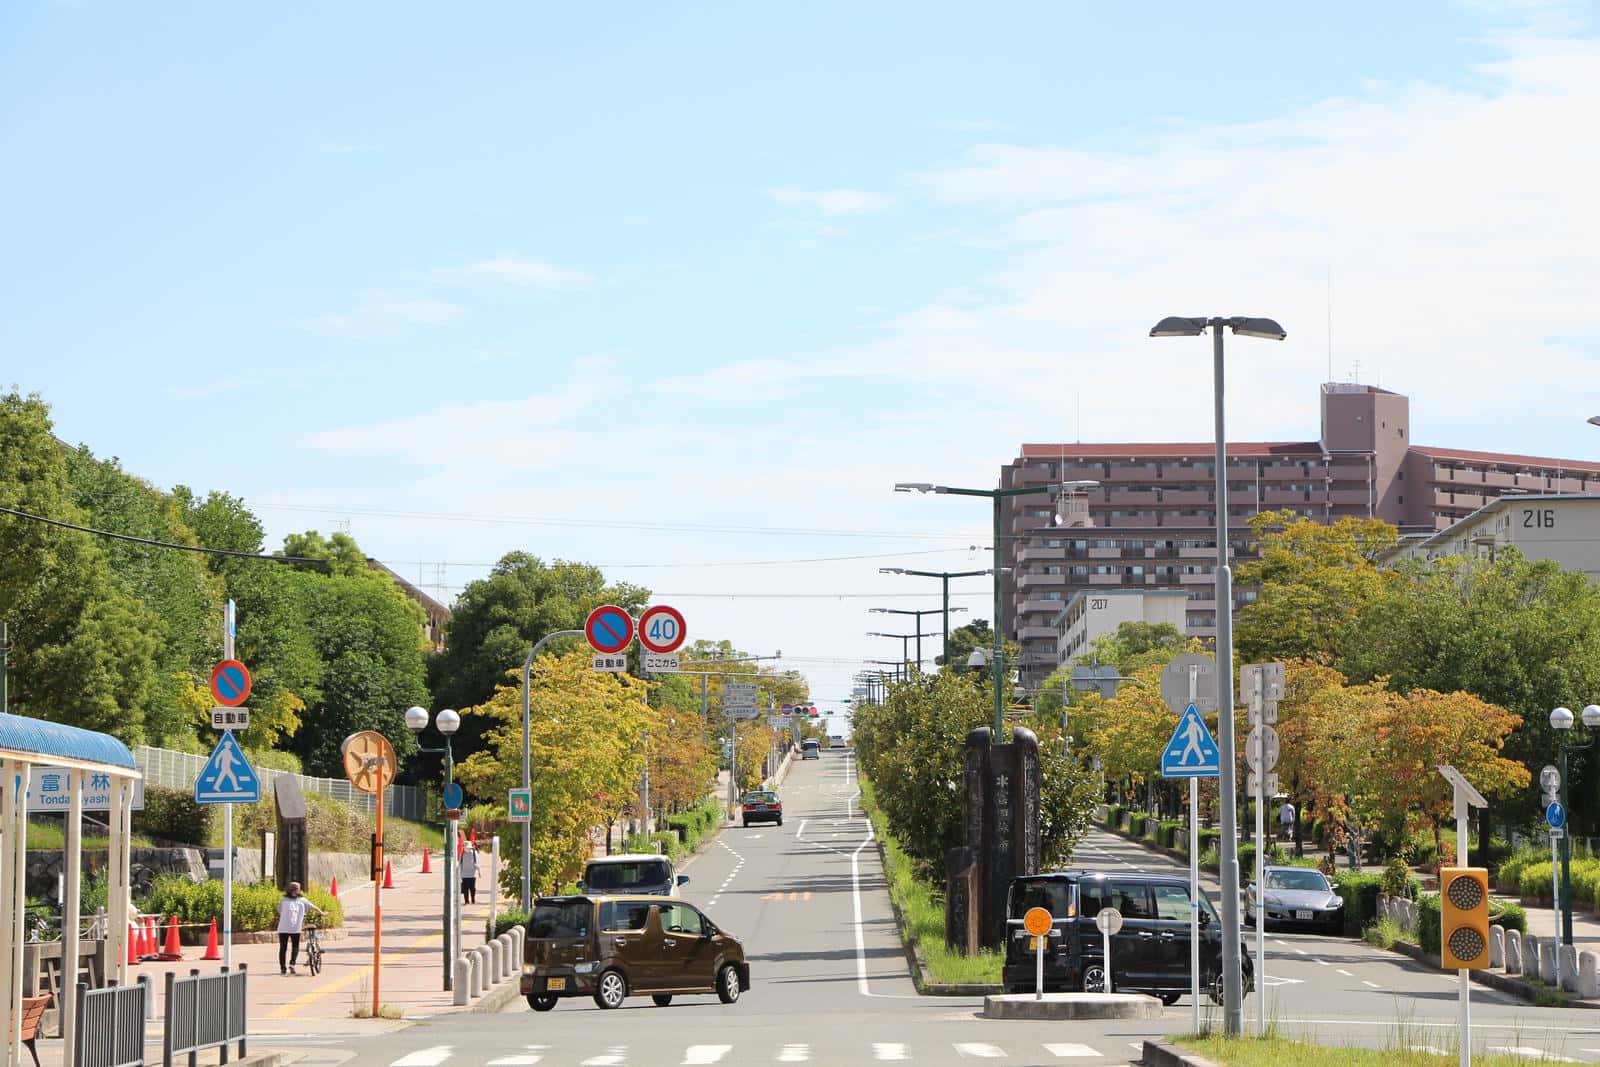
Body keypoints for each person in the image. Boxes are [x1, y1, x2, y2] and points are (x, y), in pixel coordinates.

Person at [277, 882, 325, 976]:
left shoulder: (283, 900)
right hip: (295, 928)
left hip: (283, 927)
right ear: (296, 890)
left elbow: (279, 910)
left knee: (283, 948)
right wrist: (322, 913)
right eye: (299, 889)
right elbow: (314, 907)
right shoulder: (302, 900)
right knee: (295, 946)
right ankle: (292, 964)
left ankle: (283, 968)